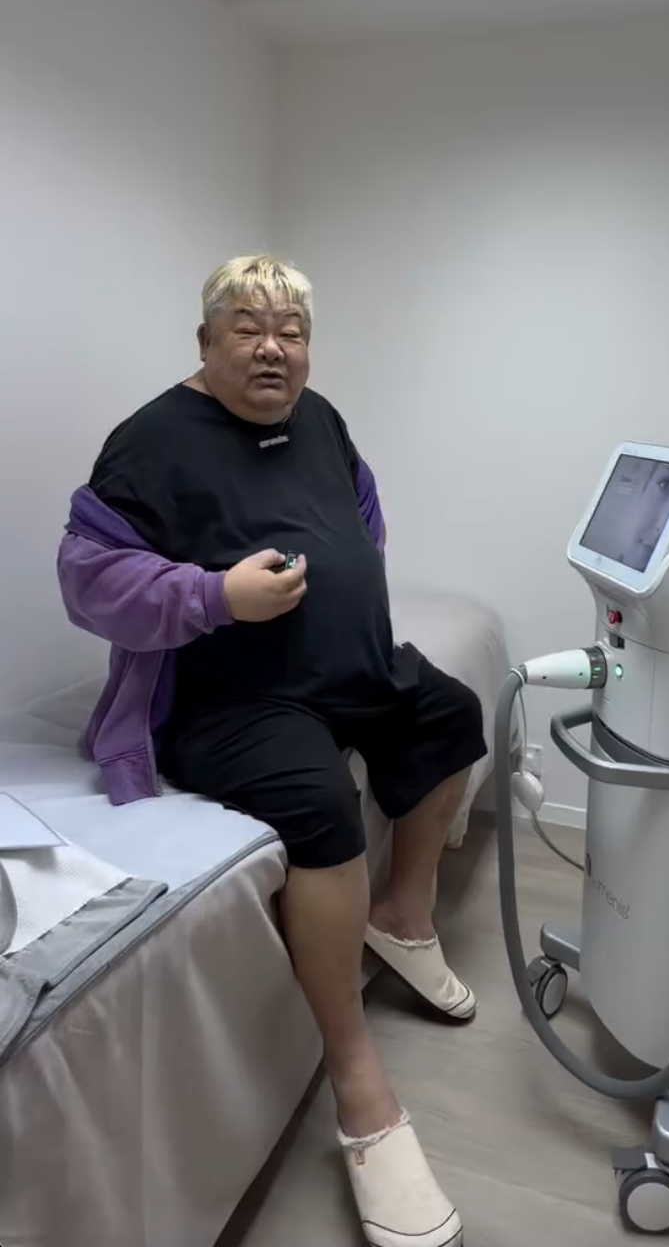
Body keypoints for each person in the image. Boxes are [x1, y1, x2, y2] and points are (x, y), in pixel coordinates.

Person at [58, 255, 486, 1247]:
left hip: (349, 668)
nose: (272, 348)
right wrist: (215, 596)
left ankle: (403, 916)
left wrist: (350, 589)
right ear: (205, 340)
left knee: (451, 713)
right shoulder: (149, 442)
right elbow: (89, 580)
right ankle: (359, 1085)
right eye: (247, 328)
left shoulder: (321, 418)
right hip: (230, 698)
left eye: (290, 332)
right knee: (322, 809)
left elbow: (361, 515)